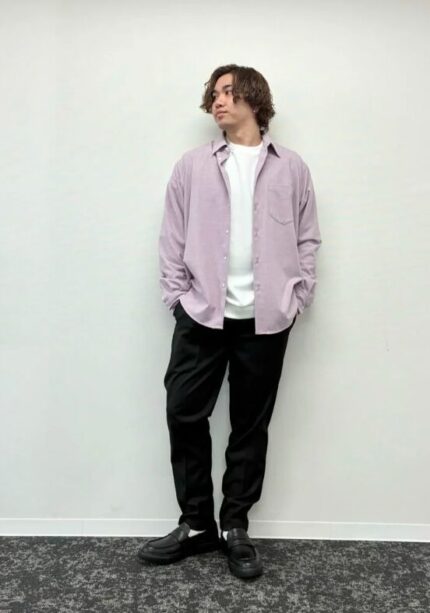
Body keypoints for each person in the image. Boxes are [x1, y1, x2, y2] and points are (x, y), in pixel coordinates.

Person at [138, 64, 322, 579]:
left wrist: (298, 296)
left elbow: (308, 237)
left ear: (253, 99)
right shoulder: (192, 166)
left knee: (250, 425)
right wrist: (178, 297)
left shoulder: (291, 168)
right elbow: (172, 235)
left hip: (266, 320)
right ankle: (197, 523)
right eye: (213, 94)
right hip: (202, 314)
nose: (217, 101)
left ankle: (235, 526)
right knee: (183, 413)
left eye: (227, 92)